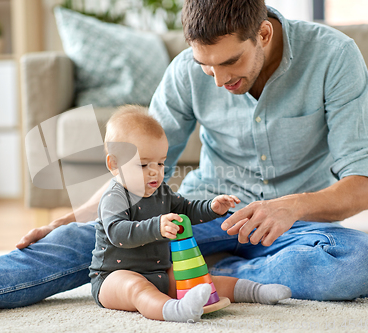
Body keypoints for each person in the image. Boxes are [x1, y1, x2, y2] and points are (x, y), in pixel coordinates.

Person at [0, 0, 368, 327]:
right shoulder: (186, 71)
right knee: (90, 238)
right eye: (206, 66)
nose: (217, 80)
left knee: (362, 262)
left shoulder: (333, 58)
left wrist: (288, 207)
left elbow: (362, 187)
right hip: (195, 216)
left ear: (262, 33)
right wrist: (76, 215)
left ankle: (204, 269)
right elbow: (136, 167)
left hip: (291, 227)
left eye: (230, 64)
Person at [90, 106, 291, 322]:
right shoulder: (115, 197)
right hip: (113, 279)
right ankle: (176, 311)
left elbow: (185, 209)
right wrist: (157, 226)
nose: (154, 171)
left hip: (158, 273)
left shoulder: (161, 191)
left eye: (160, 163)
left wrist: (211, 207)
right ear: (114, 164)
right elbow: (117, 233)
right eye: (143, 164)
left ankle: (256, 291)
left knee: (202, 280)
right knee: (136, 288)